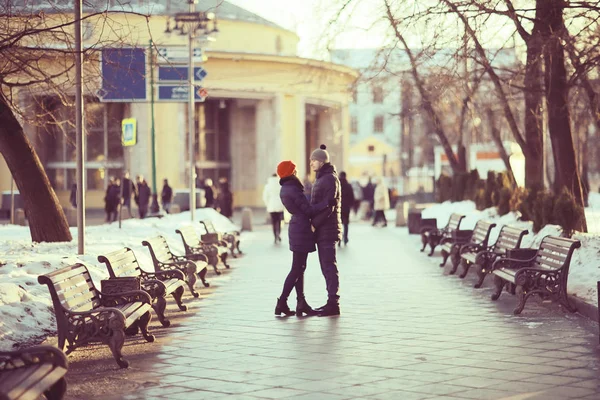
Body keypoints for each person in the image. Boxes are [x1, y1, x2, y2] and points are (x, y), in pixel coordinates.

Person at [275, 160, 330, 317]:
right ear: (291, 173)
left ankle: (301, 303)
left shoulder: (286, 188)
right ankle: (282, 302)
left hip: (297, 228)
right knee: (297, 269)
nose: (297, 172)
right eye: (295, 170)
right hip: (301, 229)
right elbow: (308, 210)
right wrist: (326, 203)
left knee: (300, 267)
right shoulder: (293, 189)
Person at [309, 144, 342, 317]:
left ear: (322, 161)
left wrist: (315, 224)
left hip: (327, 230)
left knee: (329, 267)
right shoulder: (322, 177)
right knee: (326, 267)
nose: (311, 163)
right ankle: (330, 302)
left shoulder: (329, 179)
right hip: (323, 230)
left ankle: (333, 304)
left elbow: (329, 206)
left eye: (314, 160)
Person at [263, 173, 285, 243]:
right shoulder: (281, 185)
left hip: (271, 206)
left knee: (273, 222)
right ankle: (279, 234)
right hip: (280, 206)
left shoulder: (268, 186)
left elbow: (265, 197)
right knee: (279, 221)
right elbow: (283, 195)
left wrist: (268, 204)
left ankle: (275, 236)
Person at [339, 171, 355, 246]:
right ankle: (345, 238)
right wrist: (351, 205)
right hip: (346, 207)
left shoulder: (338, 185)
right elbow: (352, 197)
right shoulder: (348, 185)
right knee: (346, 224)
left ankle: (338, 239)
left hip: (339, 207)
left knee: (339, 223)